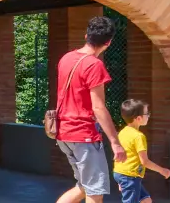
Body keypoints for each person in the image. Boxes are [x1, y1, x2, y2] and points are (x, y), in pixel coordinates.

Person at [53, 16, 127, 203]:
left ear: (87, 35)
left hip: (64, 133)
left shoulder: (66, 58)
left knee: (83, 186)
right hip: (83, 134)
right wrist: (115, 142)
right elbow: (98, 107)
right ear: (108, 43)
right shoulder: (94, 65)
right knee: (94, 191)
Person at [112, 99, 170, 203]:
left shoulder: (122, 132)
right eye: (147, 113)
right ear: (139, 118)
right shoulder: (139, 136)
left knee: (146, 201)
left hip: (122, 173)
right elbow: (145, 161)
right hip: (130, 176)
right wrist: (162, 170)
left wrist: (120, 179)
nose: (148, 115)